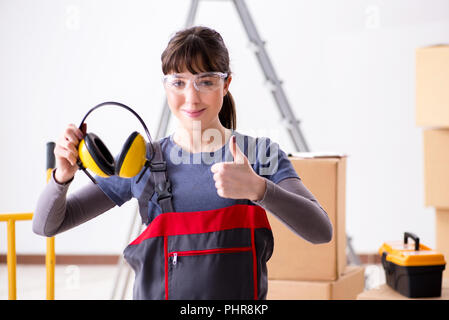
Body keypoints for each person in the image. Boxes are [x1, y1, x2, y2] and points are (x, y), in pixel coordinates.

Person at [33, 26, 332, 300]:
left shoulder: (260, 155)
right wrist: (62, 177)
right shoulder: (142, 162)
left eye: (205, 81)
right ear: (166, 87)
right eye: (178, 82)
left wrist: (259, 189)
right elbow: (48, 225)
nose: (191, 97)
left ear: (226, 84)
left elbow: (321, 231)